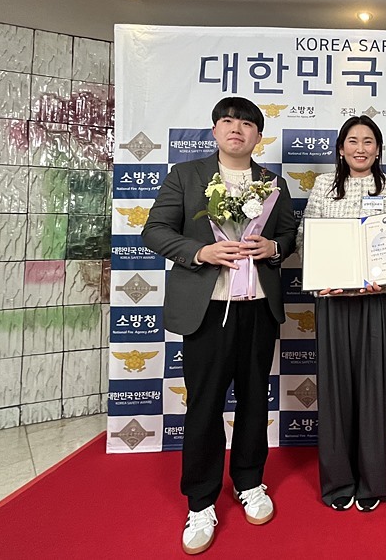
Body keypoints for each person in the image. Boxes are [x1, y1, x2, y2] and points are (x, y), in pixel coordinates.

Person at [142, 97, 297, 555]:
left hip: (257, 309)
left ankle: (249, 482)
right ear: (214, 130)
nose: (236, 129)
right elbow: (154, 230)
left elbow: (288, 235)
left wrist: (273, 248)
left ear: (258, 136)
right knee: (205, 405)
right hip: (207, 311)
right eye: (228, 121)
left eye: (247, 124)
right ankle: (200, 502)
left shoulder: (273, 183)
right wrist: (200, 252)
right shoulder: (186, 175)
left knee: (254, 399)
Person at [296, 115, 386, 513]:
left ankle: (372, 481)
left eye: (368, 141)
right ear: (341, 148)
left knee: (374, 390)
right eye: (352, 141)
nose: (360, 148)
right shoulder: (324, 184)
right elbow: (305, 237)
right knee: (334, 389)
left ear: (378, 149)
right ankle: (338, 482)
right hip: (332, 300)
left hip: (377, 300)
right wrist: (319, 280)